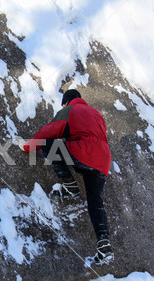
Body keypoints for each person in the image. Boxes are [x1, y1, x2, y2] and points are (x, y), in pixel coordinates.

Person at [21, 89, 113, 265]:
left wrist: (28, 147)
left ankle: (70, 186)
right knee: (96, 204)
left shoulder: (69, 110)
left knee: (49, 146)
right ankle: (104, 244)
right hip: (102, 161)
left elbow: (49, 131)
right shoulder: (96, 114)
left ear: (66, 102)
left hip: (84, 153)